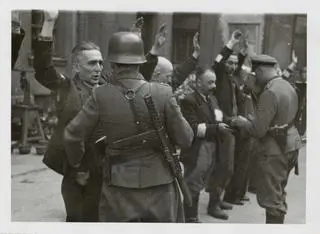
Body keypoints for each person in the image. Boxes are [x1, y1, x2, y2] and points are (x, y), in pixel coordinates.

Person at [64, 31, 194, 222]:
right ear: (140, 62)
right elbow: (186, 138)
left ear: (113, 64)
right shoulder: (164, 93)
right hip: (161, 185)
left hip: (119, 186)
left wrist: (78, 166)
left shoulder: (101, 95)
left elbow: (73, 136)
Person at [32, 11, 108, 222]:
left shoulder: (105, 88)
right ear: (76, 66)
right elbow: (43, 69)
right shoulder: (66, 87)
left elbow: (133, 79)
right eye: (92, 63)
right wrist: (48, 23)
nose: (98, 68)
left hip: (106, 169)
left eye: (100, 63)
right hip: (78, 173)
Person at [231, 54, 302, 224]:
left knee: (272, 200)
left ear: (261, 71)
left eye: (255, 74)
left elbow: (258, 130)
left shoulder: (269, 93)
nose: (254, 77)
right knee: (278, 191)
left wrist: (242, 122)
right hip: (291, 144)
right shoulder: (286, 85)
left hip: (275, 150)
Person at [179, 66, 234, 222]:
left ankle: (191, 216)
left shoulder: (212, 99)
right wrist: (216, 128)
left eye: (214, 82)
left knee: (201, 182)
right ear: (198, 83)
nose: (214, 86)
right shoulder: (189, 101)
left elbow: (218, 118)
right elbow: (192, 127)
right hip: (197, 149)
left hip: (212, 147)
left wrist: (230, 121)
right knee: (193, 184)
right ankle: (190, 218)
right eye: (210, 83)